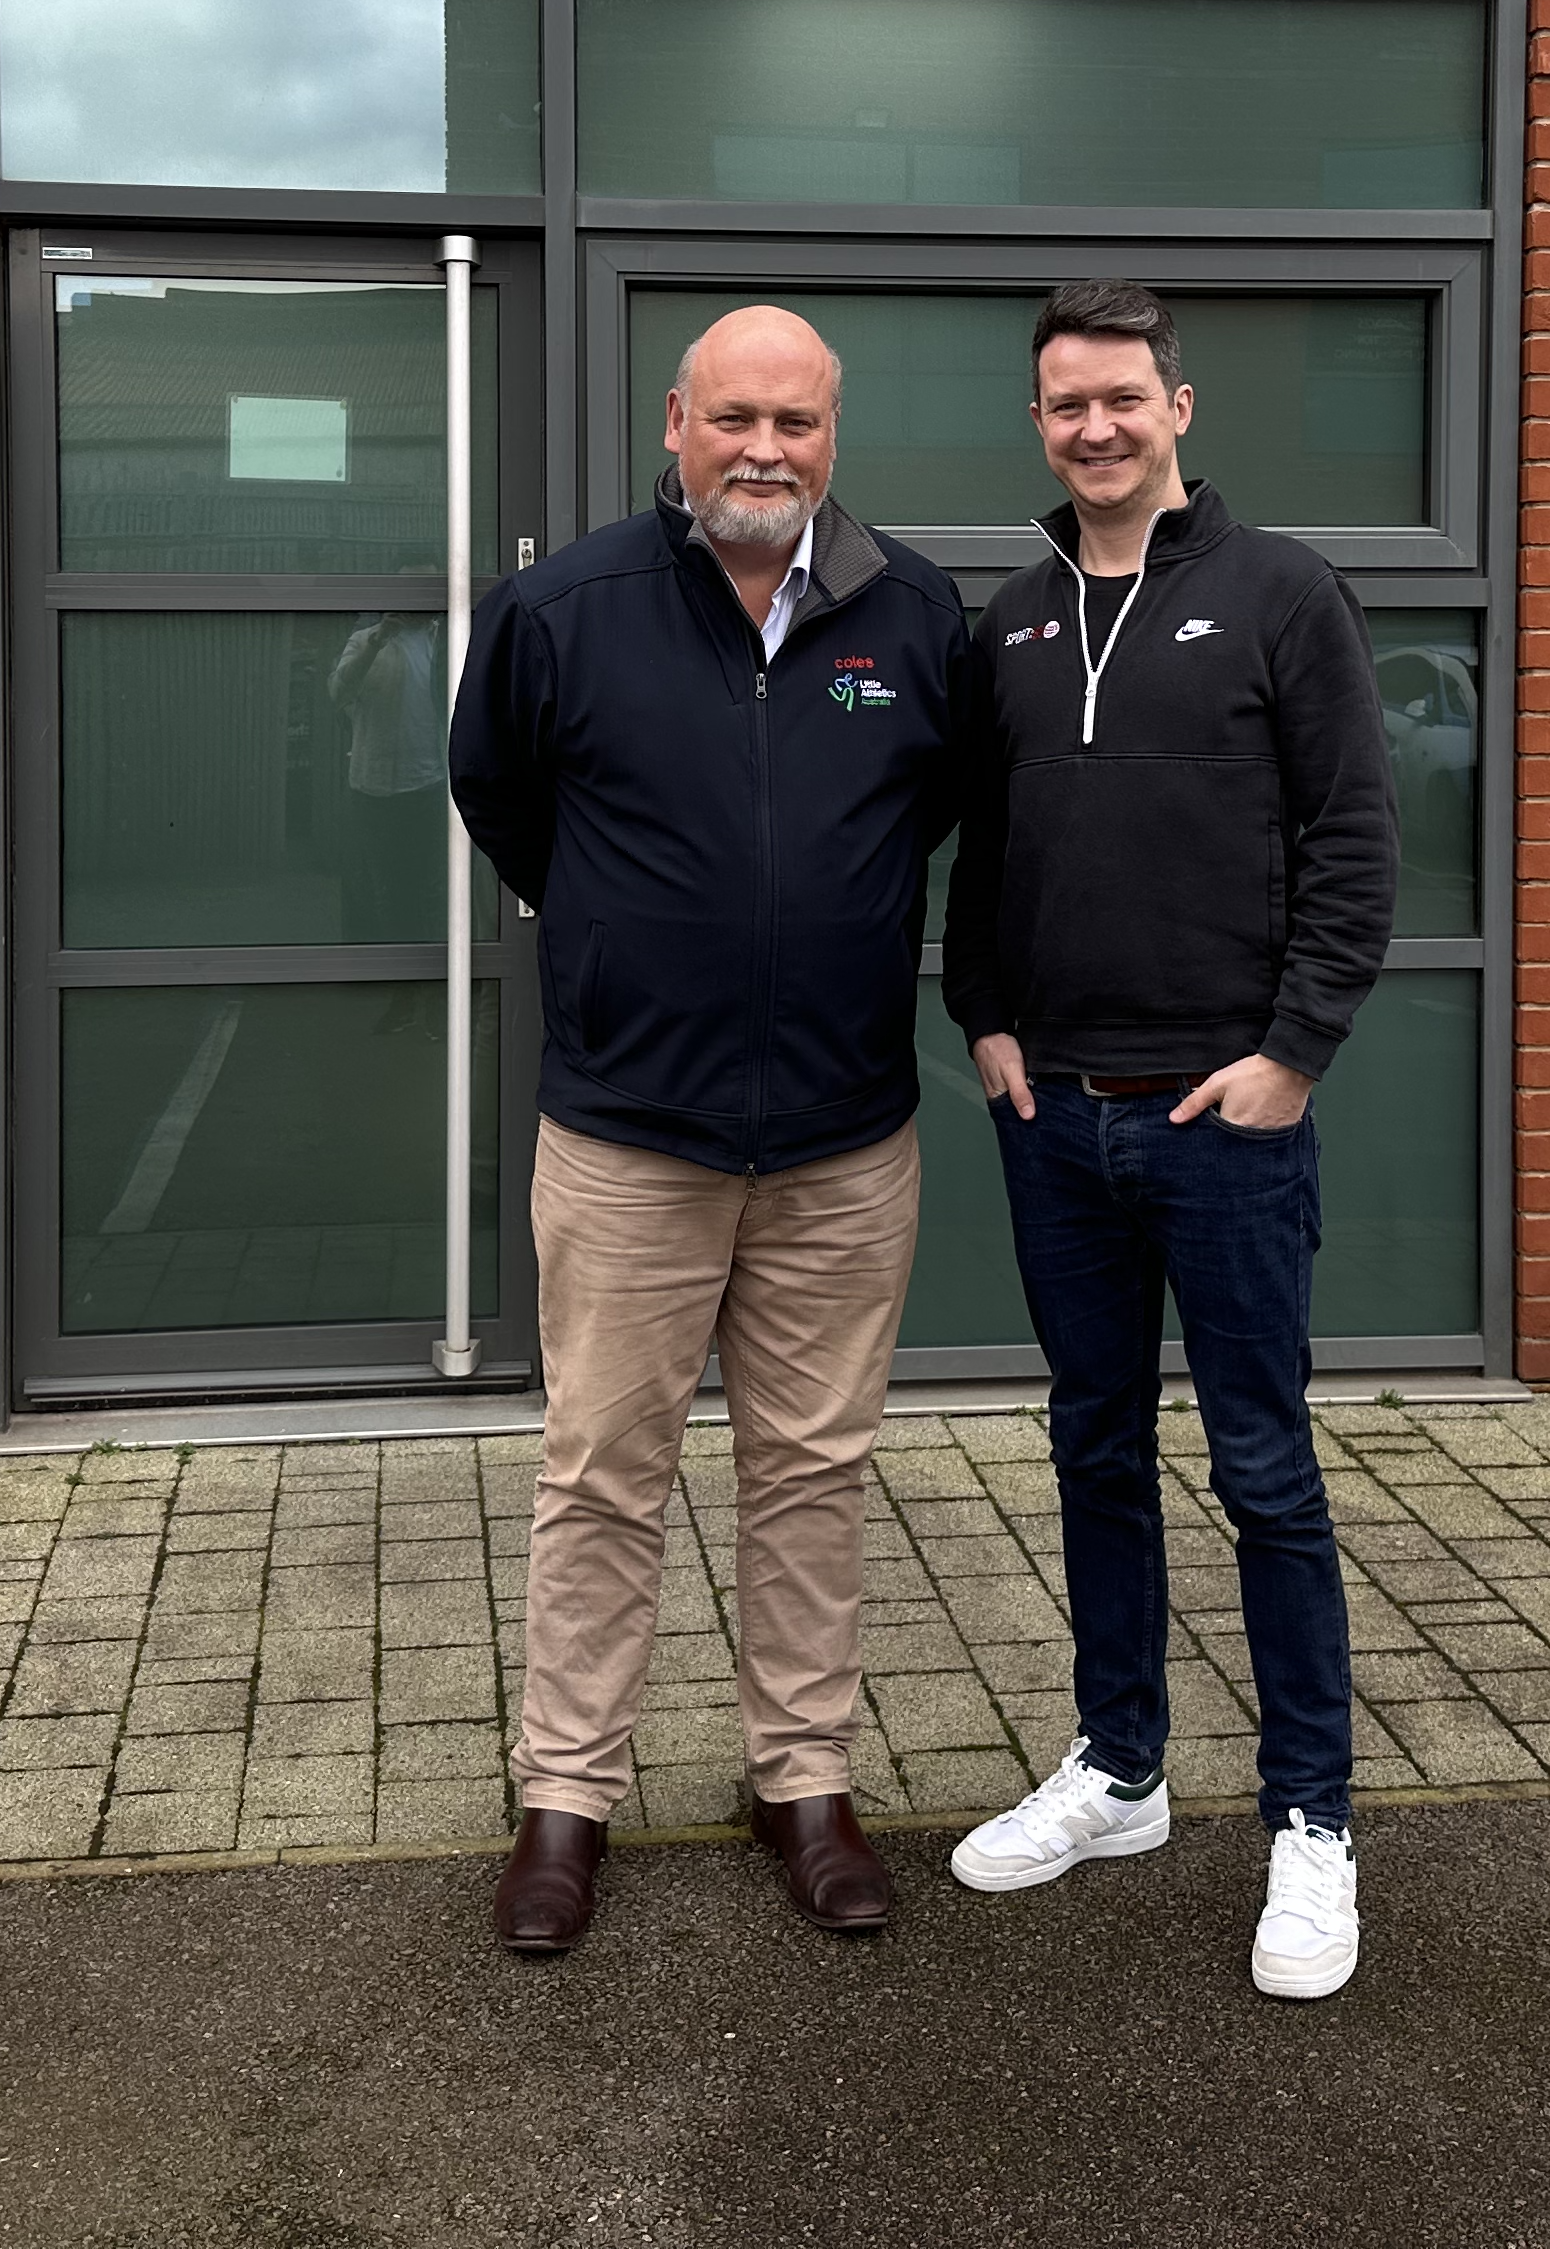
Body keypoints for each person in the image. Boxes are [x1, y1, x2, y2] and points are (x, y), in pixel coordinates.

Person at [448, 306, 968, 1954]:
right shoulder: (560, 610)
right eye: (736, 417)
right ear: (675, 422)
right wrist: (621, 936)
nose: (767, 451)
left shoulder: (914, 613)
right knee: (603, 1474)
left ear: (835, 436)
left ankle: (800, 1780)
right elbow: (500, 798)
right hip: (628, 1137)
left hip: (841, 1139)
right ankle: (566, 1798)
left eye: (798, 425)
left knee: (813, 1472)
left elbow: (931, 818)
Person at [938, 278, 1398, 2001]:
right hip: (1058, 1121)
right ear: (1041, 420)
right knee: (1092, 1449)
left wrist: (1293, 1056)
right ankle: (1121, 1770)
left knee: (1264, 1469)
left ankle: (1313, 1824)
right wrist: (980, 1016)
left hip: (1225, 1128)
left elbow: (1355, 843)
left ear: (1177, 409)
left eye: (1124, 396)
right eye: (1067, 403)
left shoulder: (1282, 596)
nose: (1097, 426)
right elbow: (977, 858)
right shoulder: (1009, 620)